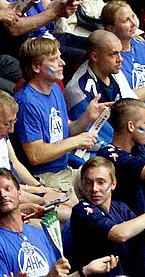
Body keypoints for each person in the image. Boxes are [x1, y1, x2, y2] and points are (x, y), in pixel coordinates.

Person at [14, 37, 107, 193]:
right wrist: (75, 142)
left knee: (108, 178)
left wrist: (87, 117)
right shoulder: (26, 102)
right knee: (83, 212)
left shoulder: (55, 89)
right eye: (54, 60)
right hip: (44, 177)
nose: (62, 63)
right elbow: (35, 155)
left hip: (64, 171)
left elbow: (64, 131)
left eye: (60, 57)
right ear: (36, 67)